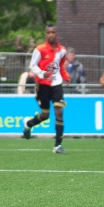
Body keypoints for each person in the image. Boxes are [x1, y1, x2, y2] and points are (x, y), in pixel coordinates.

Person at [22, 25, 70, 153]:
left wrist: (65, 76)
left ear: (57, 34)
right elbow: (32, 66)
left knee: (59, 112)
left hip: (56, 84)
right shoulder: (40, 49)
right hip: (42, 85)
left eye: (53, 32)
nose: (51, 34)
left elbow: (60, 66)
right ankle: (28, 124)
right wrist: (42, 73)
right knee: (45, 115)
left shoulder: (62, 50)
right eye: (49, 32)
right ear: (45, 35)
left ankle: (57, 146)